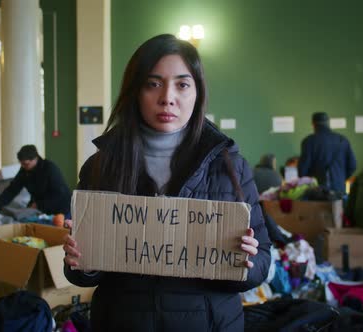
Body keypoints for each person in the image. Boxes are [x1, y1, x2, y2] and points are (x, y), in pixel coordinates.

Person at [62, 34, 271, 331]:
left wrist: (246, 263)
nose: (167, 97)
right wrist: (82, 261)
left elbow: (262, 262)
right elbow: (80, 275)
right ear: (135, 91)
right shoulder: (100, 166)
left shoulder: (231, 166)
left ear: (197, 92)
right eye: (153, 83)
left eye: (182, 85)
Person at [0, 145, 71, 215]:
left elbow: (59, 193)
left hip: (61, 207)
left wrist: (38, 204)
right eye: (22, 164)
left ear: (35, 158)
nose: (23, 166)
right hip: (42, 208)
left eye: (26, 164)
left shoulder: (49, 168)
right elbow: (12, 189)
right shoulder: (24, 170)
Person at [298, 112, 356, 193]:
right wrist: (340, 177)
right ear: (328, 123)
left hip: (316, 191)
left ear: (313, 124)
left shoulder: (309, 141)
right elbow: (352, 166)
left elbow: (302, 170)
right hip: (338, 189)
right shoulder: (342, 140)